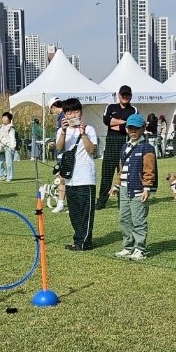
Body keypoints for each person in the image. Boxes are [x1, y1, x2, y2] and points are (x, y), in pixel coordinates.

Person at [112, 113, 157, 260]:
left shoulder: (147, 148)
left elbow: (149, 170)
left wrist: (147, 188)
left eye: (136, 128)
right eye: (130, 128)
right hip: (124, 189)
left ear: (143, 129)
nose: (133, 131)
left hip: (138, 189)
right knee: (124, 218)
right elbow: (121, 169)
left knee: (138, 220)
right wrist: (116, 186)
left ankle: (140, 248)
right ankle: (128, 246)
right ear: (126, 129)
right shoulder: (124, 147)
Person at [56, 98, 97, 250]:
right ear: (65, 115)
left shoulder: (89, 129)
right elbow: (60, 148)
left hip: (85, 177)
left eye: (76, 111)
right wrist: (64, 131)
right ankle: (78, 239)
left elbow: (91, 150)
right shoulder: (62, 130)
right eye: (68, 112)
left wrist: (83, 133)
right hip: (70, 177)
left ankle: (84, 242)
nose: (72, 115)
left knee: (86, 212)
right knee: (74, 213)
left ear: (81, 112)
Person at [98, 85, 137, 209]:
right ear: (118, 95)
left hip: (125, 146)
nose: (125, 97)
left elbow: (130, 126)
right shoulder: (111, 107)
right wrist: (123, 122)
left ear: (131, 96)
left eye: (127, 95)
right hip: (110, 147)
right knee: (106, 176)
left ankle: (123, 201)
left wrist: (116, 123)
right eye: (123, 94)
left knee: (125, 175)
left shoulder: (134, 110)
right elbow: (106, 121)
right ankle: (102, 201)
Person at [0, 112, 18, 182]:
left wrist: (12, 147)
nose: (4, 119)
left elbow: (12, 138)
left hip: (8, 147)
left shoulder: (11, 127)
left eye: (6, 118)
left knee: (9, 163)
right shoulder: (0, 126)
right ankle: (2, 175)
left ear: (9, 119)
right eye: (3, 117)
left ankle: (9, 177)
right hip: (0, 146)